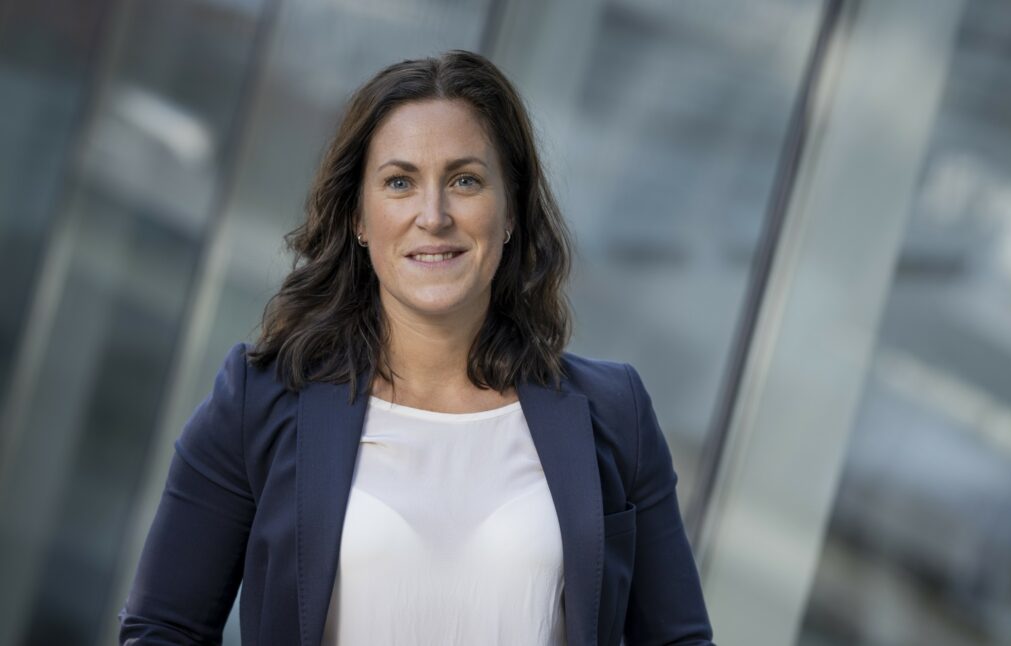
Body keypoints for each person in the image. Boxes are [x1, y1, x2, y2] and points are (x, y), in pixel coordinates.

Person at [118, 50, 713, 646]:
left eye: (465, 181)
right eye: (400, 182)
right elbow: (162, 630)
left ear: (511, 209)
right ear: (358, 216)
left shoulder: (614, 413)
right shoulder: (260, 401)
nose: (433, 216)